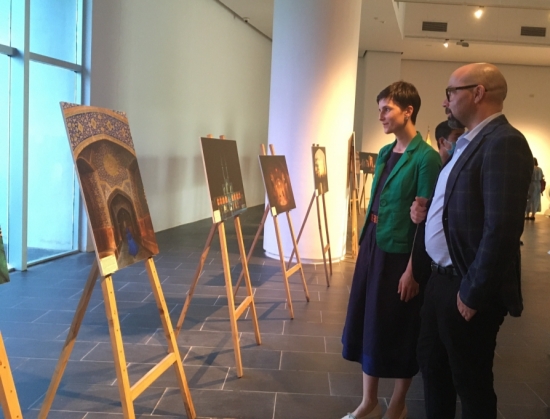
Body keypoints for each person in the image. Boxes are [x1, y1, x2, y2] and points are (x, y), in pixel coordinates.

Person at [410, 63, 533, 419]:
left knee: (471, 384)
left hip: (464, 286)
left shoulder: (505, 142)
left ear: (478, 93)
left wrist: (473, 292)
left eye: (451, 92)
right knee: (434, 371)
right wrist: (429, 210)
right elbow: (464, 205)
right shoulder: (467, 143)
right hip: (440, 282)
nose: (445, 101)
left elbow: (502, 228)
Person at [341, 81, 441, 419]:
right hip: (374, 244)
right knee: (369, 320)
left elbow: (424, 221)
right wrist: (364, 243)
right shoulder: (385, 152)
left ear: (408, 111)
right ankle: (368, 401)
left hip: (401, 254)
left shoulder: (426, 158)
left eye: (387, 109)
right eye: (380, 109)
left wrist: (414, 270)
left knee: (400, 326)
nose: (381, 116)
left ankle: (397, 404)